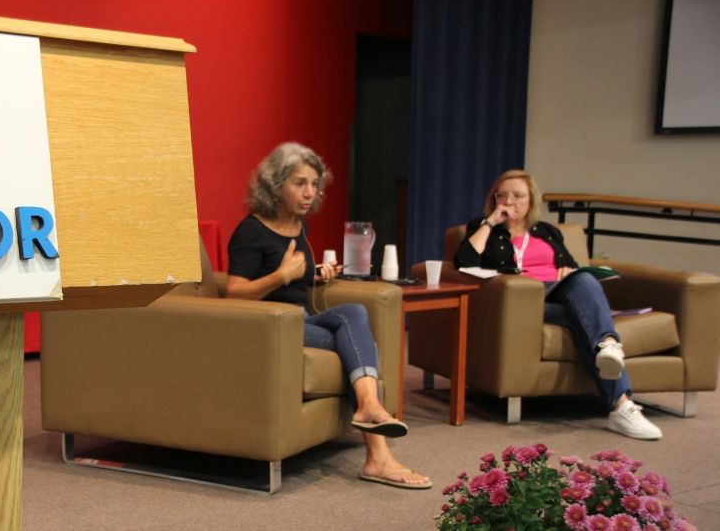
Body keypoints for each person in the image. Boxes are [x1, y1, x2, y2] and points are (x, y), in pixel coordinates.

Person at [226, 142, 432, 489]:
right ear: (275, 184)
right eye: (299, 183)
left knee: (353, 311)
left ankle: (368, 411)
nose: (310, 193)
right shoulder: (251, 230)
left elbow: (294, 279)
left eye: (314, 185)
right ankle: (377, 452)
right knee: (350, 339)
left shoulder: (296, 226)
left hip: (301, 318)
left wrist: (314, 273)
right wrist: (283, 275)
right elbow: (233, 292)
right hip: (273, 327)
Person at [454, 169, 662, 440]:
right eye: (502, 195)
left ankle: (619, 392)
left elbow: (570, 266)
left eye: (518, 196)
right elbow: (465, 262)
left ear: (531, 201)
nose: (509, 201)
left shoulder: (547, 231)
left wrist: (567, 271)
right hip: (521, 303)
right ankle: (612, 368)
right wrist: (491, 221)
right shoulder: (482, 228)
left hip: (557, 294)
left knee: (584, 280)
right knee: (583, 320)